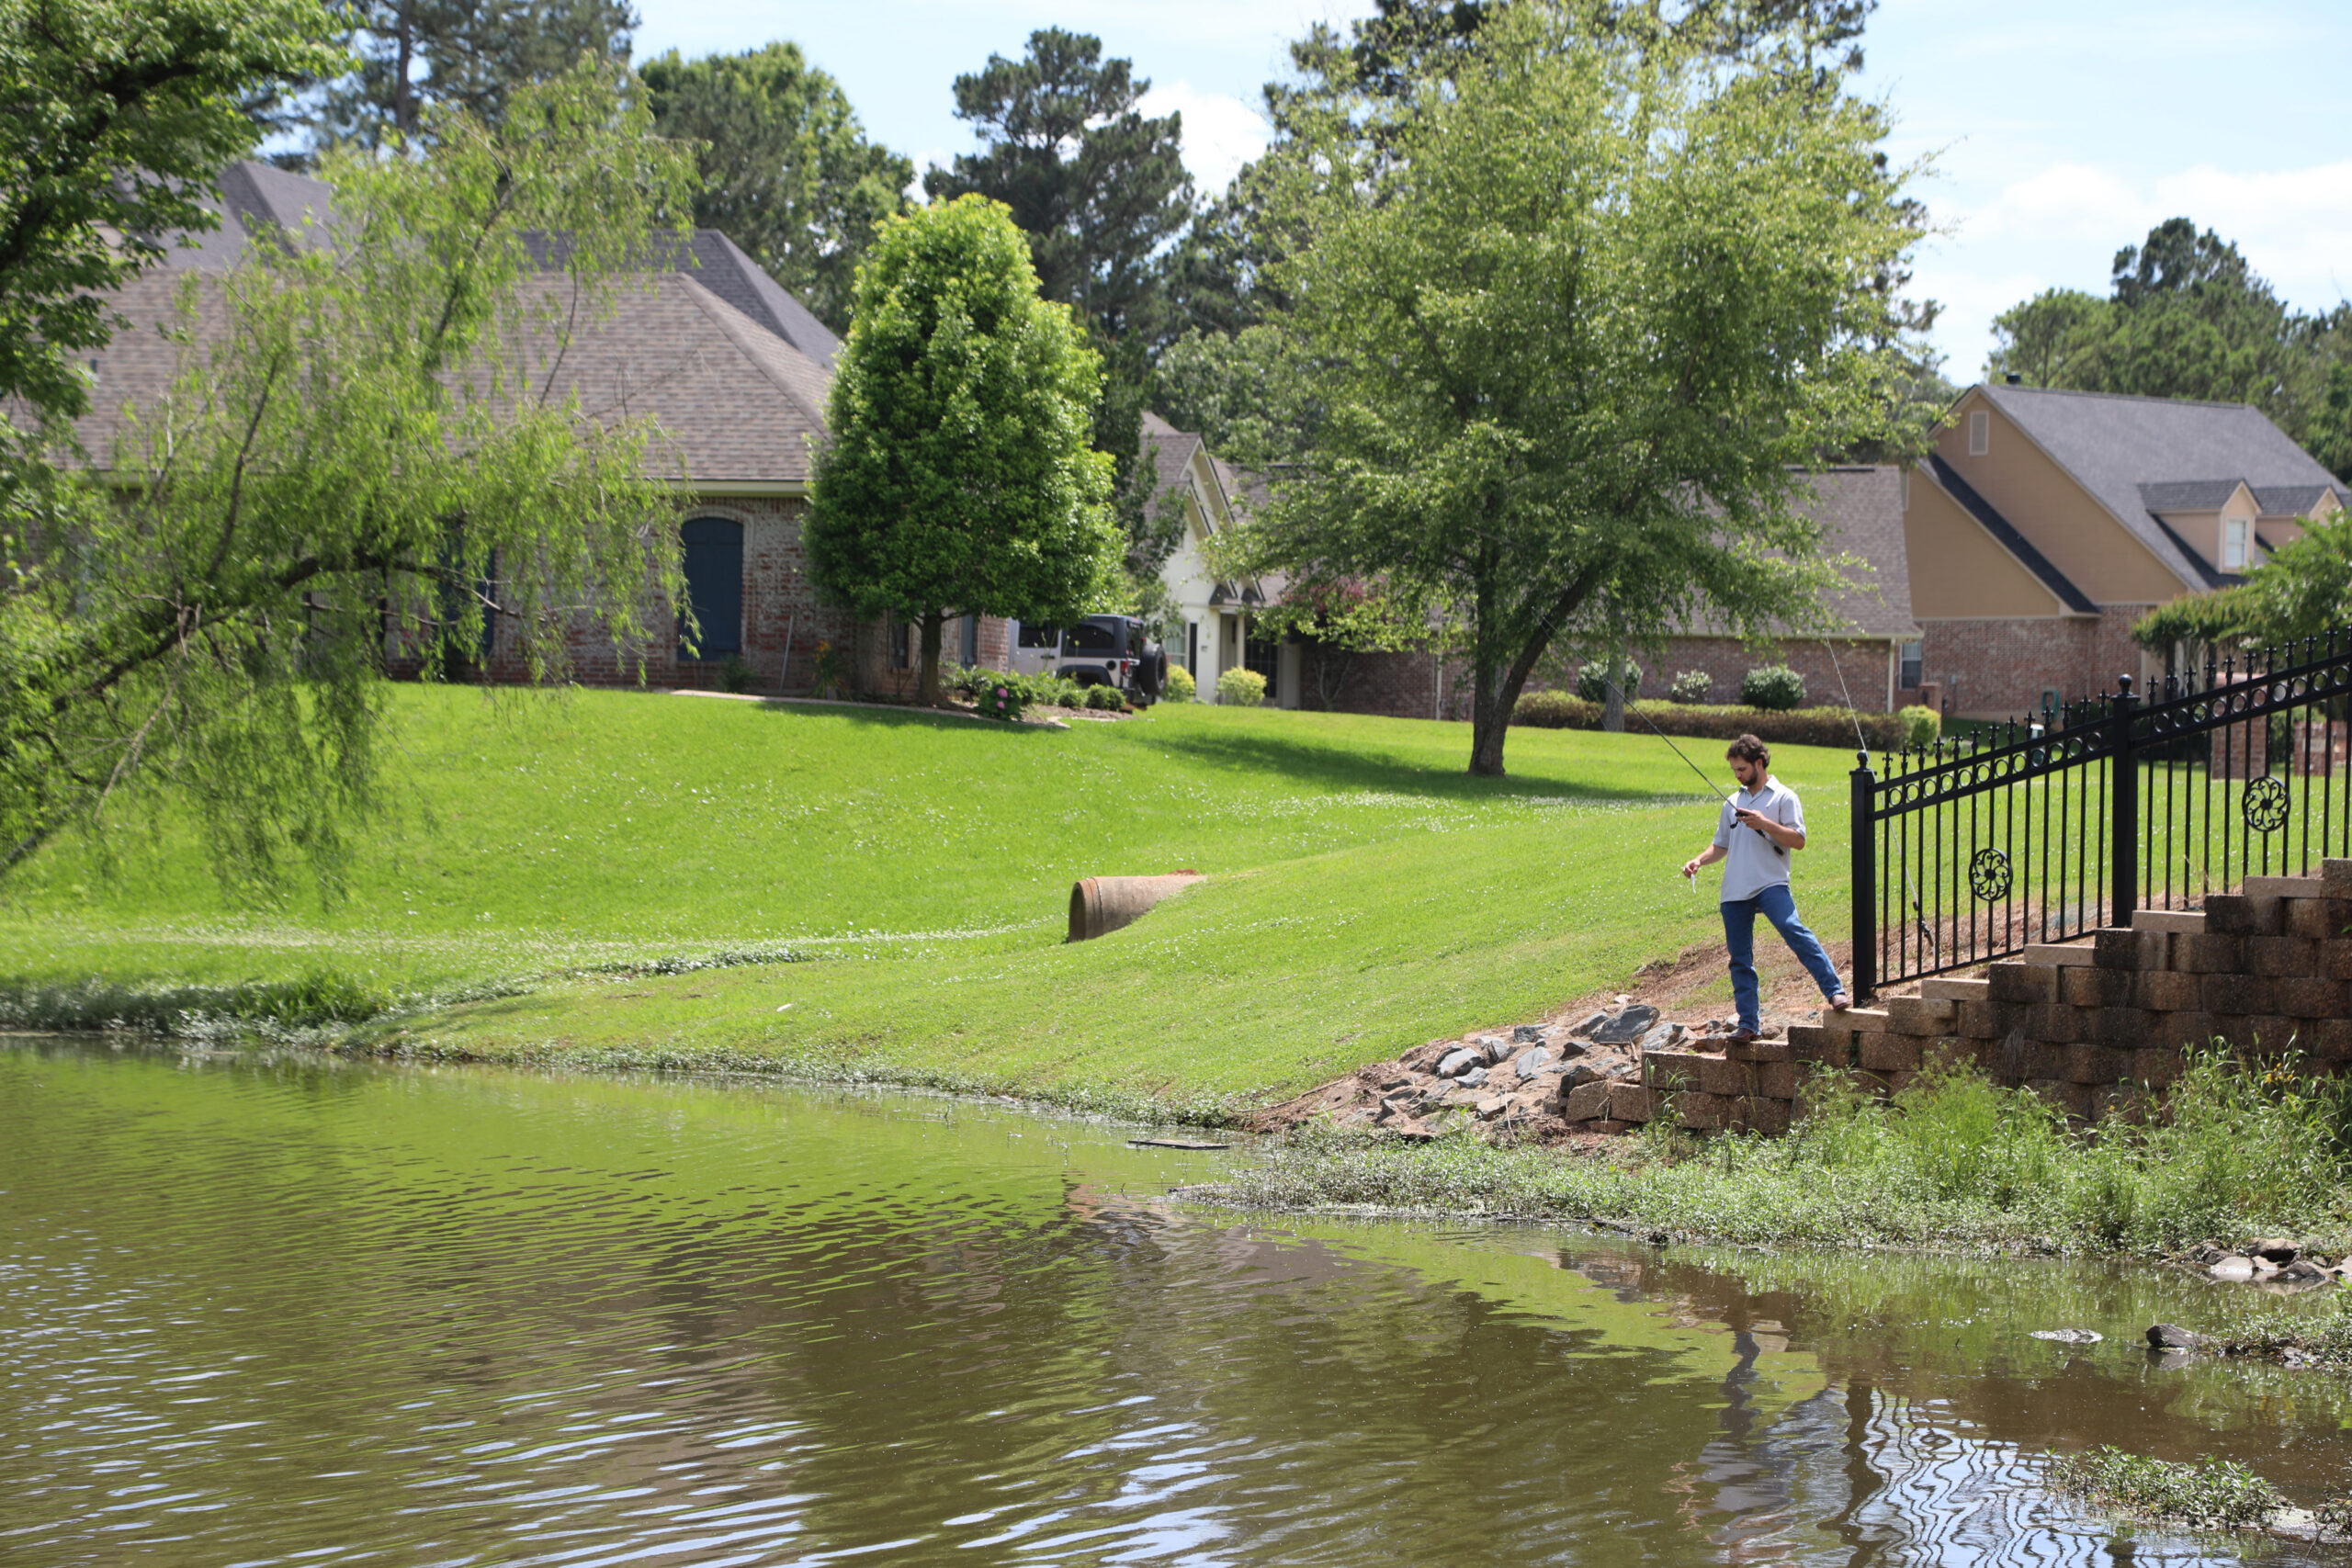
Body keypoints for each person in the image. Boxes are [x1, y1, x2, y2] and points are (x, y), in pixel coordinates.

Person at [1679, 734, 1851, 1042]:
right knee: (1740, 959)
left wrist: (1765, 823)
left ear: (1759, 762)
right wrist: (1698, 861)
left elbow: (1798, 841)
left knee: (1793, 930)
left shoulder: (1784, 797)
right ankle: (1748, 1025)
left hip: (1770, 883)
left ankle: (1835, 991)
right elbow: (1720, 845)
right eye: (1734, 770)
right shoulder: (1732, 801)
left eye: (1742, 769)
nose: (1738, 775)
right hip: (1734, 891)